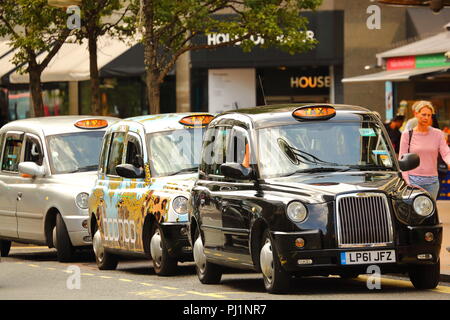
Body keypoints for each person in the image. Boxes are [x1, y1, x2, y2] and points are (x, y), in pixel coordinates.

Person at [398, 101, 450, 200]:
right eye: (423, 114)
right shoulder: (407, 135)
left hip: (432, 182)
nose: (426, 117)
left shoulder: (438, 134)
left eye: (429, 115)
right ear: (416, 114)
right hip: (413, 181)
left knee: (429, 212)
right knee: (413, 212)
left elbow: (446, 152)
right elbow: (402, 159)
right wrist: (407, 181)